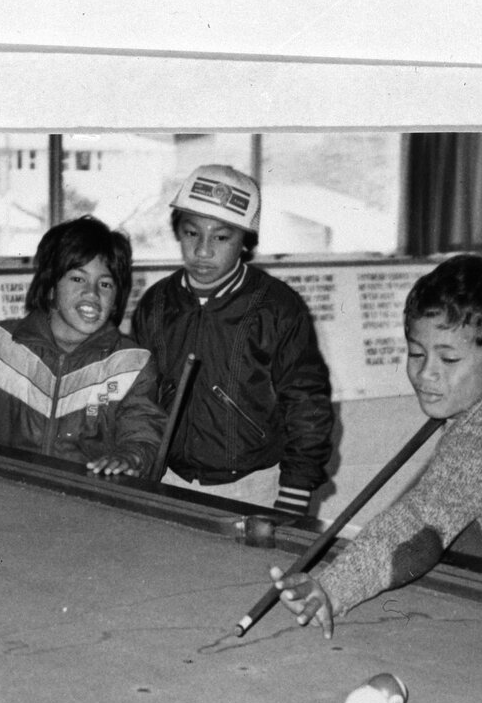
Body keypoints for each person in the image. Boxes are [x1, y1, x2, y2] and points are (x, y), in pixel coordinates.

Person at [271, 255, 482, 636]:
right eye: (416, 353)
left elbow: (418, 529)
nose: (426, 372)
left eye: (448, 358)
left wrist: (332, 589)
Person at [128, 165, 335, 516]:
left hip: (254, 488)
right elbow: (137, 399)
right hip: (168, 477)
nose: (203, 251)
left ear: (245, 243)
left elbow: (307, 404)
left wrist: (295, 491)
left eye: (221, 237)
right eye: (192, 233)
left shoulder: (278, 307)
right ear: (178, 231)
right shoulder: (156, 304)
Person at [0, 215, 165, 476]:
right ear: (50, 286)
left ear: (117, 299)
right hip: (11, 496)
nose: (92, 293)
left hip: (87, 503)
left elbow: (143, 432)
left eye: (105, 284)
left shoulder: (132, 363)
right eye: (77, 278)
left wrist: (131, 457)